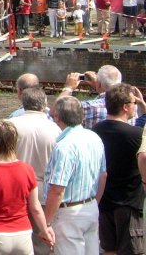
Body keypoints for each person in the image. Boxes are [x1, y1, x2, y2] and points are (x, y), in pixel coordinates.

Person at [0, 120, 54, 255]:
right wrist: (44, 230)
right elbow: (35, 208)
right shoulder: (28, 170)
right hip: (22, 233)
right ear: (15, 141)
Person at [43, 96, 107, 255]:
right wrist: (94, 203)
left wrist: (47, 223)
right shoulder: (94, 138)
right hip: (91, 206)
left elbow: (57, 189)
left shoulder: (64, 146)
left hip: (68, 213)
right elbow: (103, 175)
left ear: (57, 117)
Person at [92, 84, 145, 255]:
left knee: (109, 249)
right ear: (125, 107)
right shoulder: (136, 135)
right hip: (129, 202)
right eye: (134, 103)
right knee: (132, 250)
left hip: (103, 200)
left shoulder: (95, 131)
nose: (135, 106)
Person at [9, 88, 61, 255]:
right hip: (43, 191)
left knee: (16, 241)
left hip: (14, 190)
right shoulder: (55, 129)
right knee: (42, 242)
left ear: (23, 102)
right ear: (44, 104)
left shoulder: (11, 125)